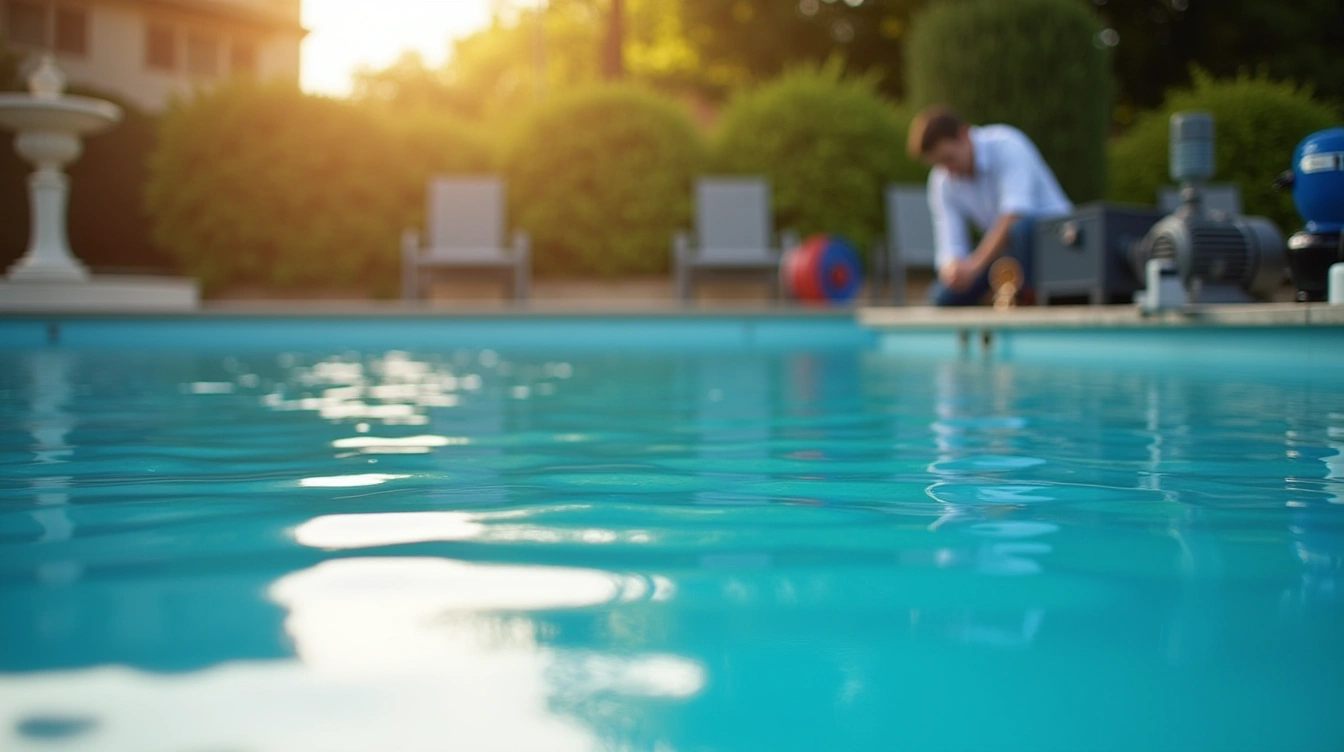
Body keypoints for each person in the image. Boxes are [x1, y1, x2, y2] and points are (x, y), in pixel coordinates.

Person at [908, 106, 1073, 306]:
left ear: (964, 135)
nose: (947, 170)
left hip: (1055, 245)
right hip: (1003, 255)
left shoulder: (1007, 144)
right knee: (942, 298)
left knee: (1021, 230)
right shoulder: (941, 179)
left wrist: (974, 266)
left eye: (949, 158)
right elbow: (950, 243)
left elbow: (1015, 214)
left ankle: (1028, 299)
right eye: (938, 163)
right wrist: (953, 269)